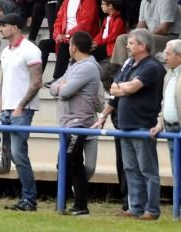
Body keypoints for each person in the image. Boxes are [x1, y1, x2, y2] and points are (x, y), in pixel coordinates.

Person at [96, 29, 165, 220]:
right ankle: (135, 207)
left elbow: (133, 87)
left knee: (147, 170)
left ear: (143, 46)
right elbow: (113, 89)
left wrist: (123, 89)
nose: (127, 46)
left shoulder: (152, 66)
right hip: (125, 126)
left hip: (142, 124)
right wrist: (102, 116)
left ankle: (151, 210)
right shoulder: (128, 64)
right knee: (131, 169)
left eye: (131, 43)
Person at [49, 31, 102, 216]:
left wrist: (62, 87)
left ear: (74, 47)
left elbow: (64, 91)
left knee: (73, 161)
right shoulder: (73, 65)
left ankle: (80, 205)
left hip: (79, 122)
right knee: (64, 162)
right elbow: (55, 87)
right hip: (67, 122)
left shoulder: (88, 67)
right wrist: (61, 87)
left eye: (69, 44)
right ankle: (62, 203)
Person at [0, 12, 42, 212]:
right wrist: (0, 104)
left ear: (15, 27)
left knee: (18, 153)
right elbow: (4, 79)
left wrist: (20, 106)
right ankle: (27, 197)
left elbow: (36, 82)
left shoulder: (30, 50)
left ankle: (29, 198)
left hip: (21, 110)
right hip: (8, 108)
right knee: (13, 154)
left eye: (3, 26)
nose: (0, 29)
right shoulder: (6, 51)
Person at [40, 0, 99, 83]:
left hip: (81, 39)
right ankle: (37, 79)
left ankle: (58, 78)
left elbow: (86, 23)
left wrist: (66, 35)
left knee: (64, 43)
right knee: (44, 44)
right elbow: (58, 20)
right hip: (65, 37)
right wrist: (57, 34)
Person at [111, 0, 179, 64]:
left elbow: (164, 28)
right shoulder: (144, 0)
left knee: (138, 41)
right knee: (122, 38)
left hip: (168, 37)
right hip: (151, 35)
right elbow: (141, 24)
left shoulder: (166, 0)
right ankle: (118, 69)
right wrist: (133, 35)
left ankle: (134, 67)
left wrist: (143, 36)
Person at [152, 39, 181, 166]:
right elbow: (165, 102)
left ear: (179, 56)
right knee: (176, 170)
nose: (164, 58)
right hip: (170, 128)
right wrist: (160, 123)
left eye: (168, 54)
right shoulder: (168, 74)